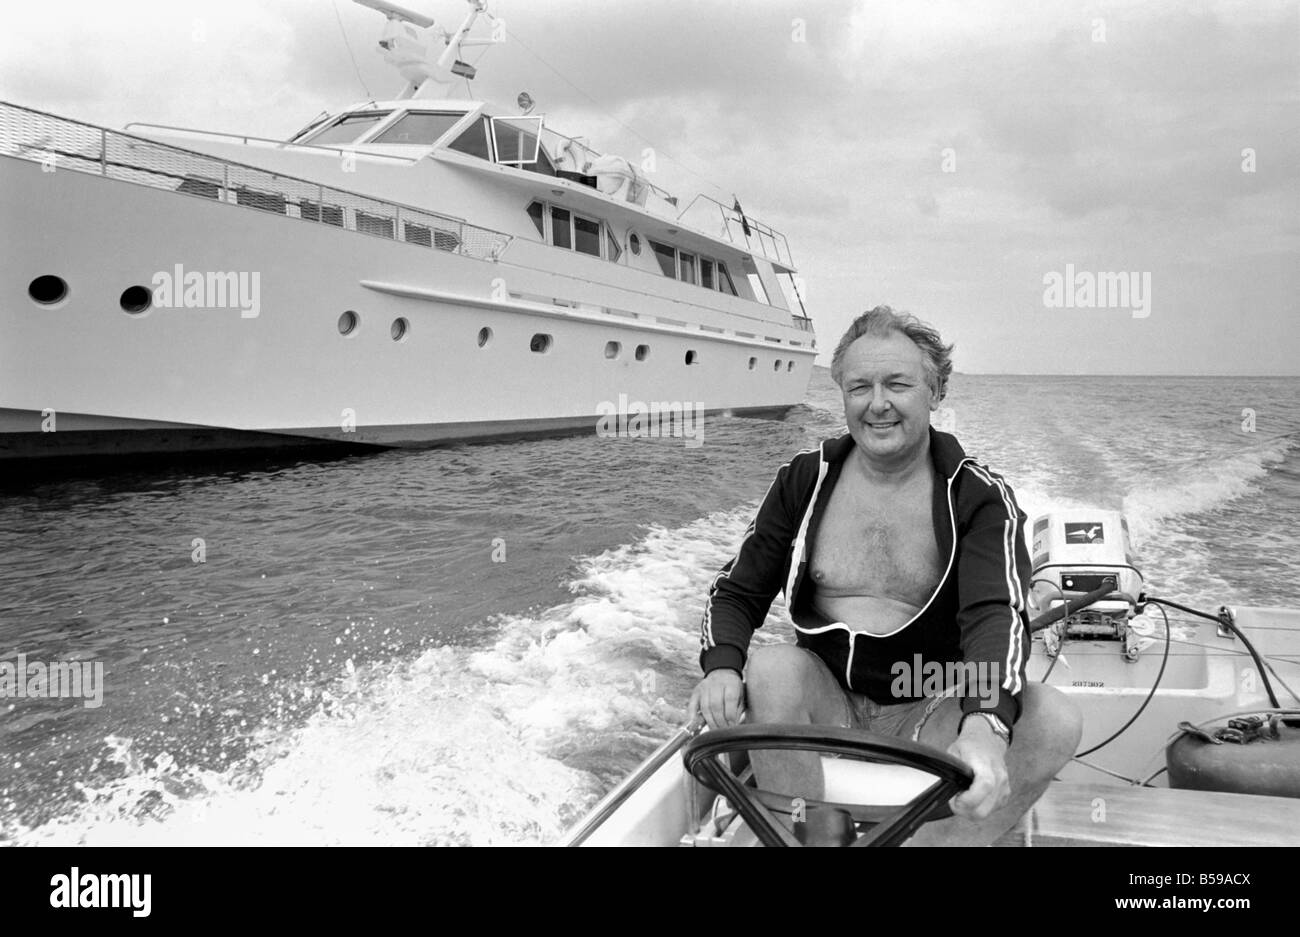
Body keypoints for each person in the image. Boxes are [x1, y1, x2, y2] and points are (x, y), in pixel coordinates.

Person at [688, 306, 1081, 846]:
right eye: (859, 387)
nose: (878, 404)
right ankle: (796, 835)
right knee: (772, 666)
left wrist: (987, 723)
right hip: (827, 705)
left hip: (932, 706)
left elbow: (997, 617)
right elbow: (738, 590)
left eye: (897, 384)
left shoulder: (979, 497)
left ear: (935, 392)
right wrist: (721, 667)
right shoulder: (805, 479)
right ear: (842, 395)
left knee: (1055, 719)